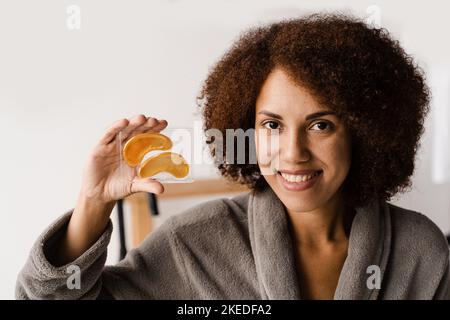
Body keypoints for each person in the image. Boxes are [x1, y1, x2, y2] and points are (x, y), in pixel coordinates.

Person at [16, 13, 449, 300]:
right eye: (272, 125)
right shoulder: (197, 244)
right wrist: (94, 202)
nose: (292, 153)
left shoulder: (420, 251)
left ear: (364, 131)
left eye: (321, 125)